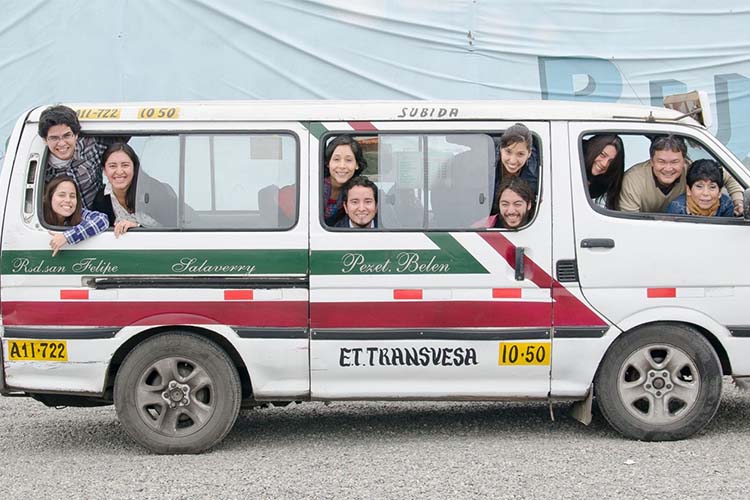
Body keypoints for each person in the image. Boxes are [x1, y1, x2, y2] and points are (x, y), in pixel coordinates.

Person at [618, 134, 743, 213]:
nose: (668, 168)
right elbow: (630, 224)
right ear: (651, 161)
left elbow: (731, 176)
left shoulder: (692, 170)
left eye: (675, 162)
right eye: (661, 162)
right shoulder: (633, 180)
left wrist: (738, 202)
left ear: (684, 161)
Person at [38, 105, 122, 209]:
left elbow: (122, 138)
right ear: (45, 140)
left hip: (100, 211)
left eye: (67, 136)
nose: (62, 143)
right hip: (65, 217)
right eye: (54, 138)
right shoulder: (39, 168)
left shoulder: (91, 146)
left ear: (76, 134)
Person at [92, 142, 160, 237]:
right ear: (104, 170)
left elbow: (174, 227)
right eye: (112, 166)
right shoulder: (101, 200)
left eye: (125, 165)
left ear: (134, 167)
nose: (119, 171)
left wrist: (138, 227)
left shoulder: (156, 192)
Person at [43, 175, 109, 256]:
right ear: (50, 197)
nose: (68, 200)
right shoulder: (38, 216)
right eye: (61, 195)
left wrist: (67, 237)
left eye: (72, 196)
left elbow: (102, 219)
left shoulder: (78, 213)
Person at [491, 123, 539, 214]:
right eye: (508, 152)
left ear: (529, 154)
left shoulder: (536, 173)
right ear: (500, 149)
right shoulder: (486, 162)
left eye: (520, 154)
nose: (513, 161)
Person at [665, 159, 735, 217]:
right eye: (699, 186)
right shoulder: (677, 208)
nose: (705, 193)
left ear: (719, 192)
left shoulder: (726, 205)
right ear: (689, 190)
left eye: (712, 187)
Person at [323, 135, 367, 226]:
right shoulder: (313, 187)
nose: (342, 166)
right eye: (336, 159)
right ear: (328, 163)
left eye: (348, 160)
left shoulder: (358, 190)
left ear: (357, 164)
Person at [583, 134, 625, 209]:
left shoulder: (603, 185)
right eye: (602, 155)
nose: (604, 164)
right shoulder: (570, 165)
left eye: (611, 162)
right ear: (592, 149)